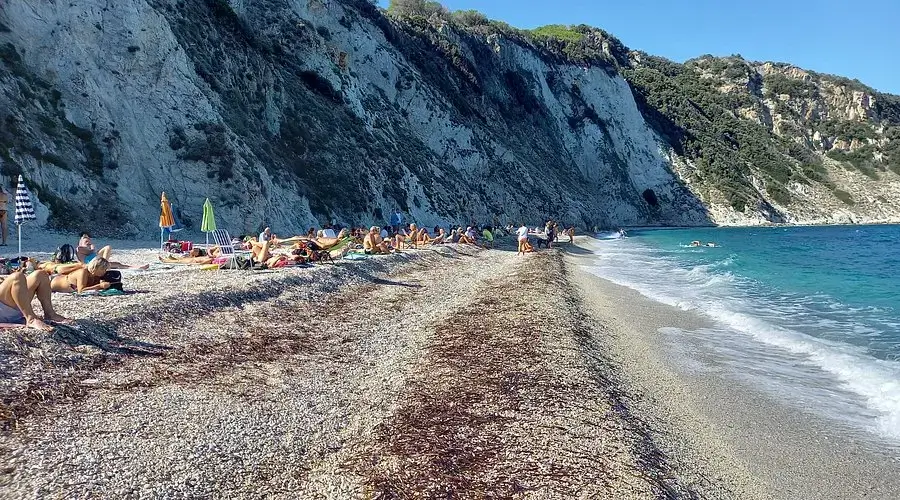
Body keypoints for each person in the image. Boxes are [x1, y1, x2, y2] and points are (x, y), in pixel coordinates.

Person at [0, 269, 69, 331]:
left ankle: (50, 314)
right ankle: (31, 319)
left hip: (16, 308)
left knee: (41, 274)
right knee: (17, 277)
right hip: (3, 311)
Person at [76, 233, 147, 269]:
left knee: (118, 264)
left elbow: (93, 251)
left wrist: (92, 247)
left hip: (97, 261)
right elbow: (91, 251)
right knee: (108, 247)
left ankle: (137, 267)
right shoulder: (79, 248)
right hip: (91, 263)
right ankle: (104, 265)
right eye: (86, 241)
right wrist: (92, 246)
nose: (89, 242)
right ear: (81, 242)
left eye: (89, 241)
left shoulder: (88, 248)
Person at [50, 257, 115, 294]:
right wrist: (99, 286)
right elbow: (81, 291)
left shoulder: (95, 275)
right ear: (96, 268)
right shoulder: (83, 272)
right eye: (103, 269)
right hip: (52, 282)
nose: (104, 271)